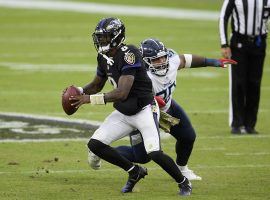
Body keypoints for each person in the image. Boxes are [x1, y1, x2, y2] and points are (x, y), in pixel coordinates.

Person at [70, 17, 192, 196]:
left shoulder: (130, 54)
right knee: (95, 145)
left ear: (117, 36)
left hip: (144, 110)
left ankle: (184, 182)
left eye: (105, 37)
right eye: (100, 37)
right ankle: (134, 171)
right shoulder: (102, 56)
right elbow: (97, 85)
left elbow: (122, 93)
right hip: (124, 112)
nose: (101, 41)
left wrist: (89, 99)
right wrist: (78, 91)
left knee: (154, 154)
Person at [88, 38, 237, 181]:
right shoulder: (141, 76)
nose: (161, 62)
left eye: (163, 58)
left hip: (167, 107)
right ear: (145, 61)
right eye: (155, 60)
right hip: (143, 112)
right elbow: (128, 95)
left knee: (188, 137)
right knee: (142, 157)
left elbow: (186, 59)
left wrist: (214, 62)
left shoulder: (171, 62)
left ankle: (182, 169)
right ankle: (100, 151)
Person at [219, 0, 269, 134]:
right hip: (239, 43)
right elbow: (224, 16)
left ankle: (250, 125)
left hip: (259, 43)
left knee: (255, 83)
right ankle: (237, 123)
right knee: (239, 83)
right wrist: (224, 44)